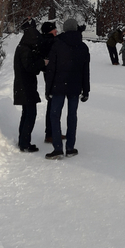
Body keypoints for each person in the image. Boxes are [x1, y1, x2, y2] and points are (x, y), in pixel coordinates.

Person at [44, 17, 90, 159]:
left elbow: (51, 69)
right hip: (75, 87)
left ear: (64, 29)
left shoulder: (57, 44)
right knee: (72, 116)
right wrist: (86, 90)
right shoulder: (83, 47)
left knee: (54, 115)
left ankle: (58, 148)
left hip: (58, 85)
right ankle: (70, 147)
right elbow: (85, 71)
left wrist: (48, 89)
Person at [13, 18, 45, 153]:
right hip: (26, 86)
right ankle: (25, 143)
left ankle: (23, 141)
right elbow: (30, 67)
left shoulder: (22, 47)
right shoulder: (25, 49)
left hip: (24, 86)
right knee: (30, 114)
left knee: (26, 114)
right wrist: (42, 63)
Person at [40, 20, 59, 144]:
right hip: (52, 75)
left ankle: (52, 132)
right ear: (49, 31)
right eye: (54, 29)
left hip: (49, 75)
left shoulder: (44, 41)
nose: (56, 31)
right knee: (53, 103)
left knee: (53, 102)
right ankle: (51, 133)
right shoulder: (50, 42)